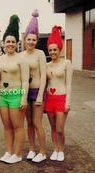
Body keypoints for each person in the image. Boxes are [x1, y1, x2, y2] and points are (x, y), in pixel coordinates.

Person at [0, 15, 29, 164]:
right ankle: (8, 151)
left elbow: (25, 80)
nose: (10, 44)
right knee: (7, 126)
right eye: (7, 41)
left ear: (17, 43)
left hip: (17, 95)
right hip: (3, 96)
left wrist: (24, 98)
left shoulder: (22, 59)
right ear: (3, 43)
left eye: (13, 42)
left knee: (18, 126)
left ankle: (17, 154)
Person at [21, 10, 47, 162]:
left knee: (37, 123)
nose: (31, 42)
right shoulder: (21, 55)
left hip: (37, 91)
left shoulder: (40, 54)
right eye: (29, 39)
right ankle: (31, 149)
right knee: (28, 122)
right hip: (25, 92)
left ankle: (42, 152)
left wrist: (39, 95)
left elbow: (43, 75)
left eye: (34, 40)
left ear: (36, 41)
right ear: (25, 40)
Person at [45, 25, 73, 161]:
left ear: (59, 49)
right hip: (50, 99)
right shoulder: (46, 65)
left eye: (55, 49)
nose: (52, 52)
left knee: (60, 128)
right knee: (52, 126)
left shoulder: (67, 63)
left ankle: (61, 150)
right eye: (50, 50)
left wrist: (68, 101)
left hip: (61, 98)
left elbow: (69, 84)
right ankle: (55, 149)